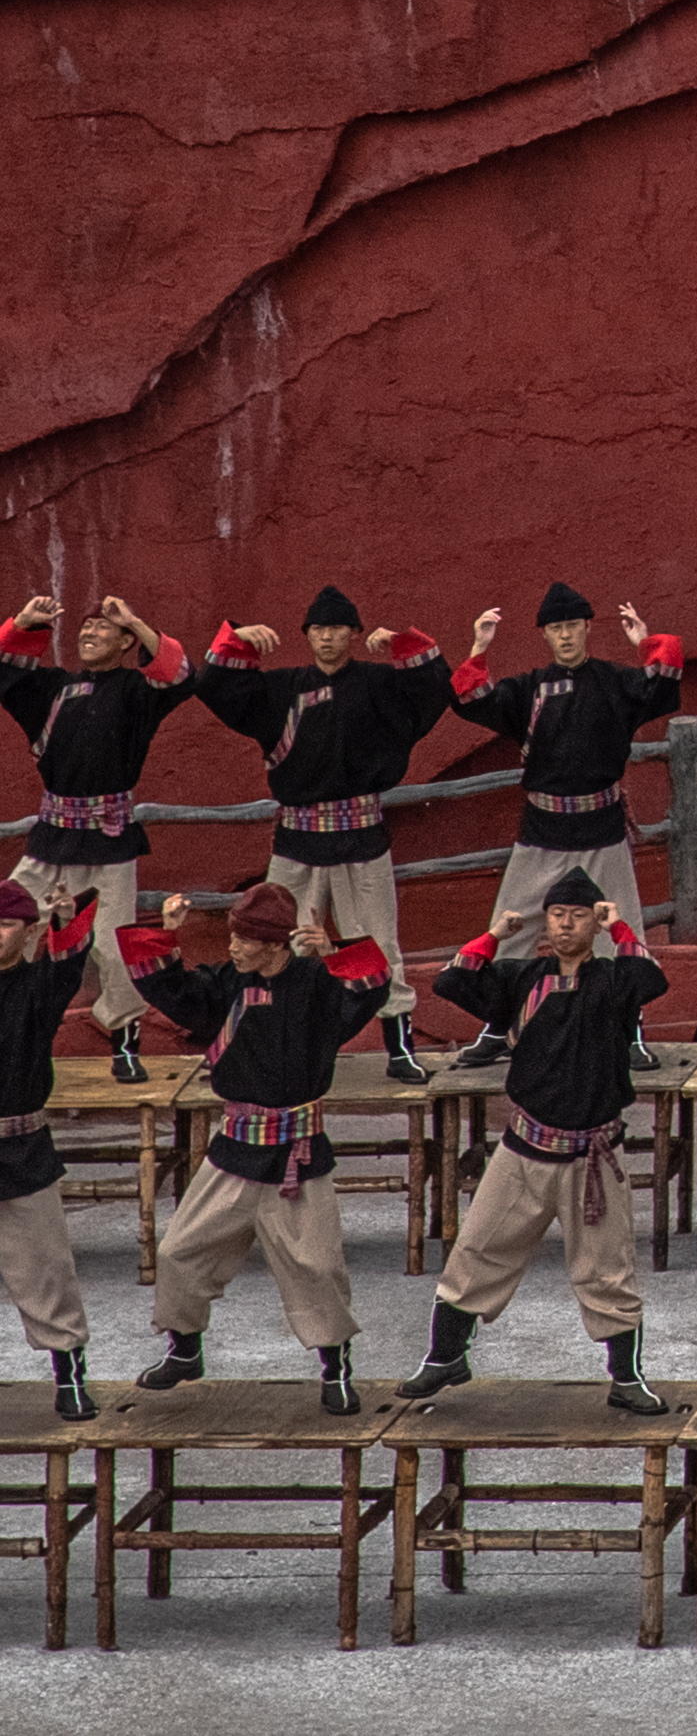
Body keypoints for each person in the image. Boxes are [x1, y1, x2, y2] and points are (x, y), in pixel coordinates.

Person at [397, 869, 676, 1412]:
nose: (565, 924)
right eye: (557, 915)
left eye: (577, 915)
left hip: (592, 1157)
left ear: (593, 922)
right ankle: (445, 1357)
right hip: (524, 1151)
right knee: (478, 1249)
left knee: (607, 1270)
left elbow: (651, 980)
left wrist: (620, 929)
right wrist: (496, 933)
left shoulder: (615, 982)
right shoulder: (522, 978)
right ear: (545, 922)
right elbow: (452, 981)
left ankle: (626, 1377)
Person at [122, 884, 394, 1407]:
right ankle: (183, 1350)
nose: (234, 948)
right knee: (181, 1252)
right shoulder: (228, 983)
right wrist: (166, 931)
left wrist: (336, 950)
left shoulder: (317, 984)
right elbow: (173, 988)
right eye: (233, 937)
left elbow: (373, 987)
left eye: (244, 940)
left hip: (299, 1153)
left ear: (275, 945)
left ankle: (335, 1369)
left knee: (317, 1266)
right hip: (235, 1151)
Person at [192, 584, 462, 1080]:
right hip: (296, 840)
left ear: (355, 635)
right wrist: (239, 645)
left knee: (377, 944)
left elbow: (433, 689)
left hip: (361, 837)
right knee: (268, 938)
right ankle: (254, 1041)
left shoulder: (381, 685)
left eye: (338, 628)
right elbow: (216, 689)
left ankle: (399, 1047)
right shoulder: (283, 688)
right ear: (307, 636)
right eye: (318, 629)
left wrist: (403, 647)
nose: (328, 638)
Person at [441, 584, 681, 976]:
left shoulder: (615, 682)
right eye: (556, 628)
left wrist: (644, 641)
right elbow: (472, 699)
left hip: (603, 829)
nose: (565, 635)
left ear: (587, 627)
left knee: (620, 936)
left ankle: (624, 1030)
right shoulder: (528, 689)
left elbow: (663, 684)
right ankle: (501, 1026)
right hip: (542, 831)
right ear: (545, 635)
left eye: (572, 625)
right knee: (509, 933)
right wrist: (479, 647)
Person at [1, 593, 193, 1080]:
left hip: (110, 842)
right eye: (85, 628)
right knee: (10, 929)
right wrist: (22, 624)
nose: (89, 634)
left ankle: (125, 1042)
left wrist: (135, 618)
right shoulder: (52, 687)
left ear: (127, 642)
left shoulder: (137, 691)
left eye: (104, 629)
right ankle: (14, 1036)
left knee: (112, 947)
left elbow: (179, 674)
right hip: (51, 841)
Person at [0, 884, 105, 1414]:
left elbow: (67, 965)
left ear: (27, 933)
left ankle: (69, 1376)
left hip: (22, 1150)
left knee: (45, 1267)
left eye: (3, 926)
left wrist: (65, 919)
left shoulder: (37, 987)